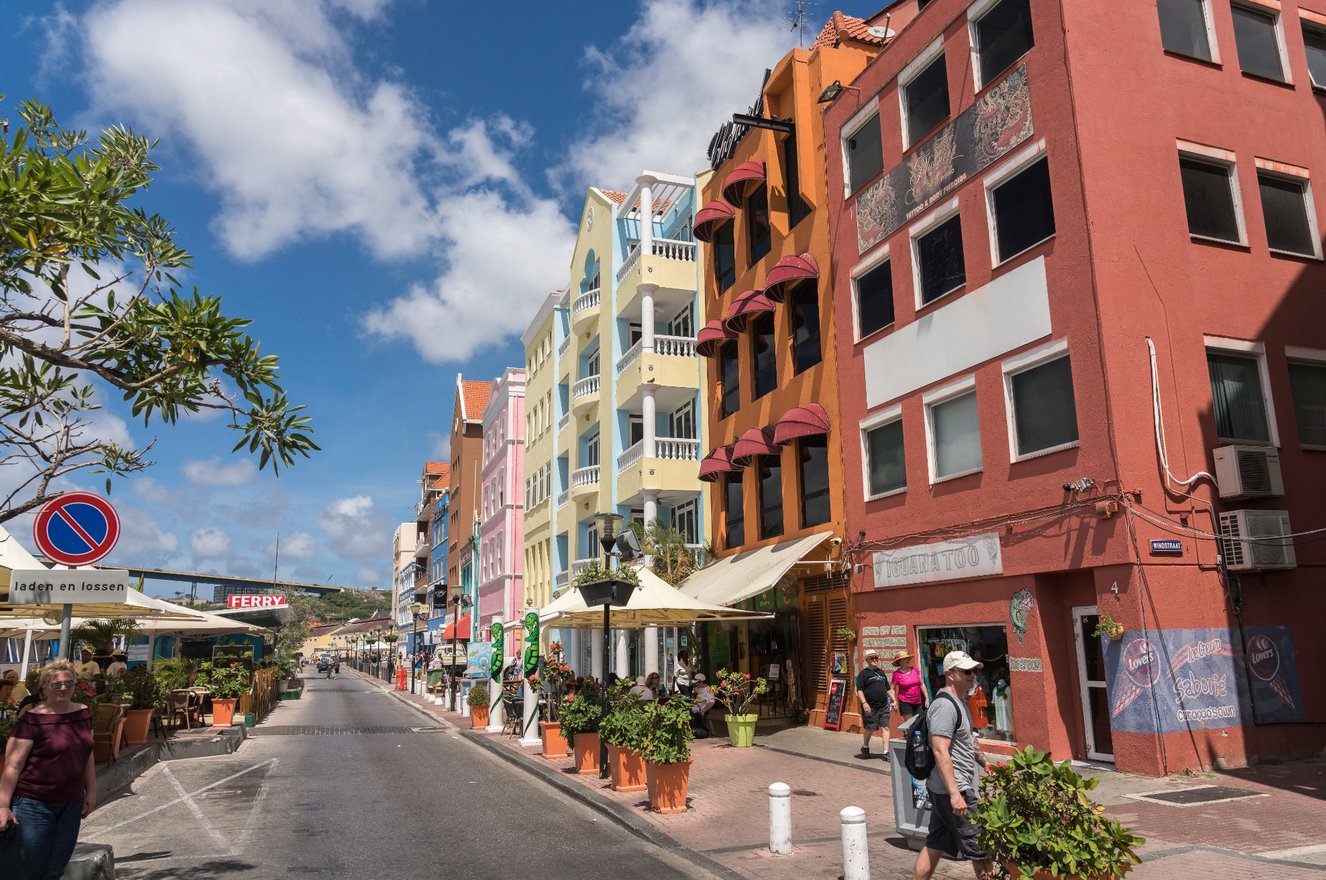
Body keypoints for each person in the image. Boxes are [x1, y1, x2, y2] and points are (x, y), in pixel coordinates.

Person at [0, 660, 96, 880]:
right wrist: (3, 805)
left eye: (68, 683)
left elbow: (88, 754)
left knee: (55, 867)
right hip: (34, 805)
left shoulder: (83, 713)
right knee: (29, 869)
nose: (63, 688)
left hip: (71, 804)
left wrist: (91, 790)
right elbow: (13, 765)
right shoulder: (32, 721)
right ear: (45, 687)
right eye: (56, 684)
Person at [912, 651, 993, 880]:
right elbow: (940, 750)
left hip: (945, 790)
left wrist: (985, 763)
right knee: (981, 848)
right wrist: (956, 794)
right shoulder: (944, 706)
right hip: (954, 791)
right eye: (966, 671)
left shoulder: (959, 701)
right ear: (950, 674)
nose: (972, 676)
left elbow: (967, 737)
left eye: (974, 671)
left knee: (935, 845)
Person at [855, 650, 893, 759]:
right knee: (870, 728)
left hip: (884, 705)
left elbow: (888, 689)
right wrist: (864, 703)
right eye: (872, 658)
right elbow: (860, 690)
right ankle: (865, 746)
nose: (875, 660)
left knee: (885, 727)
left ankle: (886, 752)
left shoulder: (881, 672)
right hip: (870, 706)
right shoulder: (863, 674)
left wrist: (894, 700)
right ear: (867, 660)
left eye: (876, 658)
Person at [892, 651, 927, 717]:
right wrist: (894, 701)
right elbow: (892, 689)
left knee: (919, 722)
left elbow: (922, 684)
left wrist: (926, 698)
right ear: (900, 662)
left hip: (918, 701)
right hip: (905, 702)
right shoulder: (896, 674)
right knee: (909, 724)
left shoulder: (915, 670)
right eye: (905, 659)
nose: (908, 660)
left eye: (908, 658)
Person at [690, 674, 715, 738]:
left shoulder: (708, 690)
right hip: (694, 706)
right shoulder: (699, 689)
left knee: (694, 711)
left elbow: (711, 702)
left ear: (701, 682)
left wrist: (704, 711)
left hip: (700, 709)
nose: (696, 685)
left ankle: (696, 730)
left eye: (697, 683)